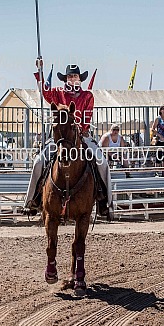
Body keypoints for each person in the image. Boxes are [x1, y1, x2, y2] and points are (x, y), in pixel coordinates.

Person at [24, 61, 112, 218]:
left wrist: (79, 130)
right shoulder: (58, 93)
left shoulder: (87, 96)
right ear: (65, 79)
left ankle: (104, 201)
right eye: (70, 76)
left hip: (81, 136)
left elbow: (87, 116)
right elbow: (45, 93)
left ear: (80, 79)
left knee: (101, 162)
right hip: (59, 139)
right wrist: (40, 71)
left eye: (75, 76)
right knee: (38, 162)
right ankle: (33, 199)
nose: (72, 79)